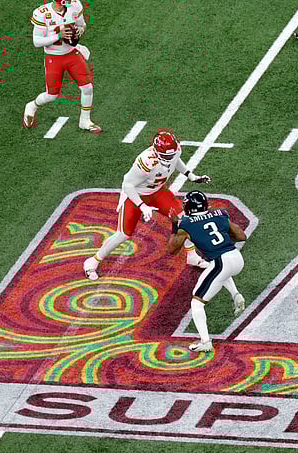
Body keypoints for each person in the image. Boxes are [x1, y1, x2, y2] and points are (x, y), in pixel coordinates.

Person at [83, 131, 212, 280]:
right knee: (123, 234)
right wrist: (142, 205)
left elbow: (175, 160)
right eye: (166, 156)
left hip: (158, 192)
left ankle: (192, 255)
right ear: (156, 152)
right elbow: (127, 185)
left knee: (185, 220)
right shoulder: (146, 161)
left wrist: (191, 176)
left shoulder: (174, 150)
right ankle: (92, 261)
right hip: (136, 195)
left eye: (171, 154)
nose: (169, 158)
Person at [168, 190, 248, 353]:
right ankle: (236, 295)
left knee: (196, 302)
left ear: (189, 207)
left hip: (221, 262)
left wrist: (175, 225)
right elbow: (241, 236)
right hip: (236, 258)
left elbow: (172, 250)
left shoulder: (185, 224)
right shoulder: (220, 214)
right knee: (218, 273)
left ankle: (205, 342)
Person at [22, 0, 100, 133]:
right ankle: (32, 105)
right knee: (52, 95)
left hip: (71, 53)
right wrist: (58, 36)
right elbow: (37, 41)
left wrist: (79, 31)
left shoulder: (75, 6)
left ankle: (85, 120)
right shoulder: (42, 13)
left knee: (87, 87)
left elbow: (82, 26)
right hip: (54, 57)